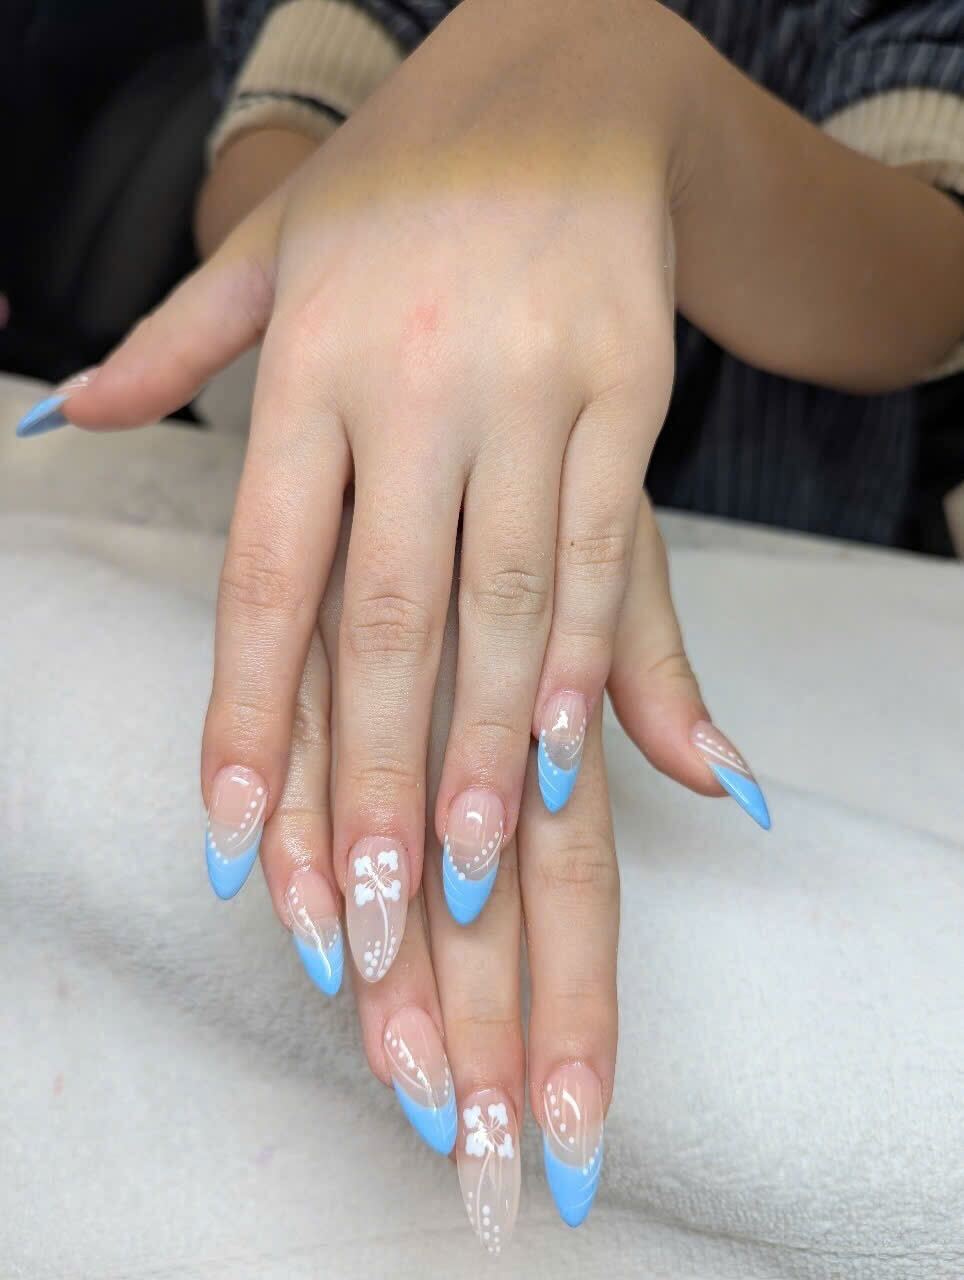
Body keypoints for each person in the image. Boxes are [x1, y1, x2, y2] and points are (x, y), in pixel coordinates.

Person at [13, 0, 964, 1244]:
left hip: (814, 548)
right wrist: (413, 319)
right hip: (389, 476)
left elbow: (930, 276)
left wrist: (647, 97)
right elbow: (269, 144)